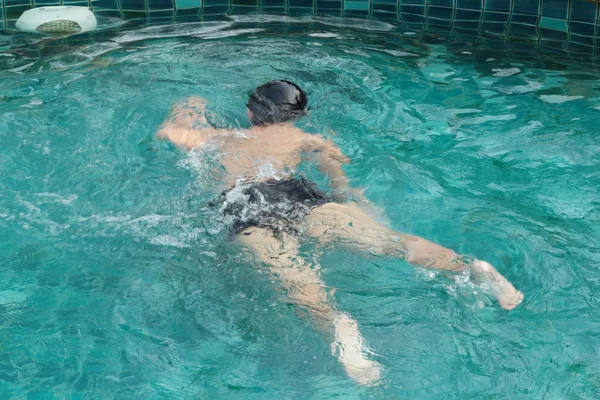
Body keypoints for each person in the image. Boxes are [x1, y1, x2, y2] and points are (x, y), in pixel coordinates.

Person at [157, 80, 524, 386]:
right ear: (300, 116)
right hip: (301, 195)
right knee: (390, 243)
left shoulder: (223, 138)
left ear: (253, 111)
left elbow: (170, 133)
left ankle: (338, 325)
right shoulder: (310, 141)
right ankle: (470, 268)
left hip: (248, 204)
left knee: (300, 283)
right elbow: (342, 188)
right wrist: (360, 208)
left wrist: (189, 105)